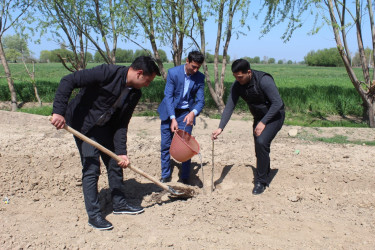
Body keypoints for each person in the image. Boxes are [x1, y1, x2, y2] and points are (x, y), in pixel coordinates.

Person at [50, 56, 161, 230]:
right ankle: (94, 216)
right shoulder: (107, 73)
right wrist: (58, 112)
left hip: (105, 126)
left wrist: (121, 152)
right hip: (83, 125)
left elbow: (122, 124)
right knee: (92, 167)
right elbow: (68, 80)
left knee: (115, 162)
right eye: (148, 80)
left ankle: (119, 204)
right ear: (139, 73)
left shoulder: (134, 93)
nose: (147, 85)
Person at [211, 59, 285, 195]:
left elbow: (277, 103)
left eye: (240, 77)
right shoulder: (237, 85)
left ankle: (261, 182)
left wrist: (263, 123)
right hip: (259, 117)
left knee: (262, 141)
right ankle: (266, 171)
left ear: (249, 72)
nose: (238, 80)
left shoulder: (264, 80)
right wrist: (220, 127)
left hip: (275, 116)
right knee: (259, 146)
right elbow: (229, 107)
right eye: (235, 77)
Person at [157, 50, 205, 184]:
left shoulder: (200, 78)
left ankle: (184, 178)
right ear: (187, 61)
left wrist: (193, 113)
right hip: (169, 112)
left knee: (185, 146)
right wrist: (172, 118)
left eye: (198, 67)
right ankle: (165, 175)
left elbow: (201, 101)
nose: (195, 70)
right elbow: (168, 96)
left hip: (186, 114)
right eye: (193, 66)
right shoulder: (173, 73)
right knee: (166, 145)